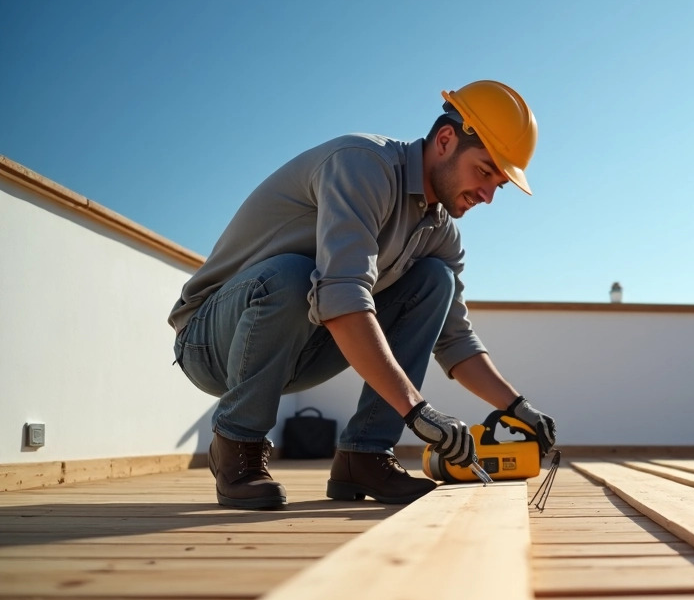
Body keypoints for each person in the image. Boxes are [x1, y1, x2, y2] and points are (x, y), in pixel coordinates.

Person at [168, 80, 557, 510]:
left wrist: (518, 407)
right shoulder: (363, 165)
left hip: (301, 347)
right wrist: (418, 411)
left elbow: (454, 340)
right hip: (210, 342)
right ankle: (237, 445)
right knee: (296, 274)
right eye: (484, 172)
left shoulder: (440, 232)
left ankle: (365, 455)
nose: (487, 196)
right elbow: (341, 295)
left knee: (435, 281)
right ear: (446, 140)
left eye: (498, 185)